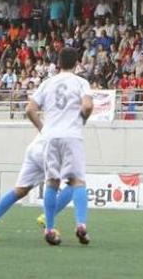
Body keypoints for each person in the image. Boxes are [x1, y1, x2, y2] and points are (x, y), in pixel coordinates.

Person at [26, 47, 94, 246]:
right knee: (77, 181)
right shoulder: (81, 82)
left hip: (50, 137)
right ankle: (81, 224)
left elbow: (30, 109)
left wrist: (42, 128)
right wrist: (82, 118)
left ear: (58, 62)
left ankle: (49, 227)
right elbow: (88, 106)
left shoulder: (47, 83)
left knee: (52, 182)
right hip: (72, 135)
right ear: (77, 62)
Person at [0, 131, 77, 240]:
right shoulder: (70, 118)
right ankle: (48, 221)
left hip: (34, 148)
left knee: (21, 190)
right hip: (49, 151)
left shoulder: (53, 116)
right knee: (74, 182)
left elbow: (31, 113)